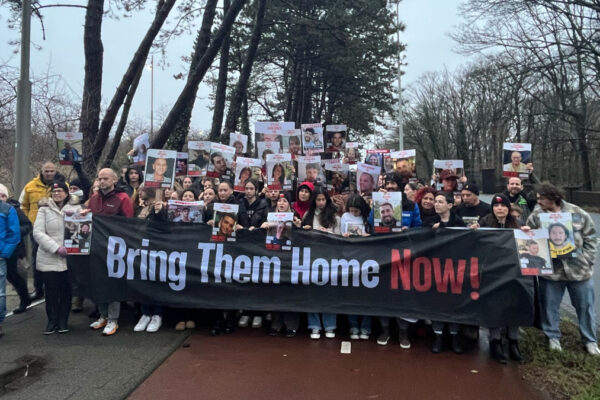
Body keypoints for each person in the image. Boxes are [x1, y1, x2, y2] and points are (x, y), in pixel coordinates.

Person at [525, 182, 599, 355]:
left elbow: (591, 238)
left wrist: (587, 260)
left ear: (554, 198)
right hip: (552, 272)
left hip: (579, 271)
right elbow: (530, 241)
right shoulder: (536, 216)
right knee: (550, 305)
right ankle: (553, 337)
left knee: (585, 307)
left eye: (542, 198)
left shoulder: (578, 213)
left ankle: (590, 340)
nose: (539, 202)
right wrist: (528, 233)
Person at [473, 194, 523, 363]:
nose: (499, 209)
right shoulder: (484, 223)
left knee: (513, 305)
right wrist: (472, 231)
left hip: (512, 273)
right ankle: (495, 342)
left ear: (508, 208)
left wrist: (527, 233)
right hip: (491, 272)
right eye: (496, 206)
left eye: (502, 206)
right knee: (494, 306)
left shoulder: (517, 224)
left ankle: (513, 341)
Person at [86, 168, 134, 336]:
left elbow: (129, 225)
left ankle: (113, 319)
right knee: (98, 283)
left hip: (115, 249)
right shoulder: (93, 199)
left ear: (114, 180)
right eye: (100, 179)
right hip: (96, 248)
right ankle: (103, 315)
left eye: (105, 178)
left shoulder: (123, 198)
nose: (102, 182)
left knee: (113, 283)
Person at [33, 182, 81, 334]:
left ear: (67, 193)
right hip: (49, 257)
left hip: (70, 258)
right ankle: (52, 320)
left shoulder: (76, 209)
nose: (56, 194)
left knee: (66, 291)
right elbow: (38, 233)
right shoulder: (44, 210)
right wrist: (55, 248)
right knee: (52, 291)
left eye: (60, 191)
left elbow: (82, 230)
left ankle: (63, 320)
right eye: (54, 191)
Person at [424, 191, 465, 354]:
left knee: (454, 302)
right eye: (435, 201)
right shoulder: (429, 222)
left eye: (440, 201)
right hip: (435, 267)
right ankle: (438, 335)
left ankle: (454, 336)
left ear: (449, 205)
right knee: (437, 302)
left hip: (454, 268)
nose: (436, 204)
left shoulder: (458, 222)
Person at [21, 162, 67, 300]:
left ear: (55, 171)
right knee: (38, 260)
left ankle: (58, 288)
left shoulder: (64, 185)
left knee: (61, 260)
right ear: (41, 171)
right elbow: (24, 206)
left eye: (51, 171)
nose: (49, 173)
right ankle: (38, 288)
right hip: (38, 230)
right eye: (46, 171)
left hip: (59, 230)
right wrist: (29, 223)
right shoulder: (30, 186)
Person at [302, 187, 340, 339]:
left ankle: (330, 325)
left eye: (323, 199)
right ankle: (314, 325)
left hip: (329, 258)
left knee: (328, 293)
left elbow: (340, 238)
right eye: (318, 200)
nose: (321, 202)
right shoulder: (307, 215)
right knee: (312, 293)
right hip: (311, 258)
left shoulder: (334, 217)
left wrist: (327, 234)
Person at [0, 185, 32, 315]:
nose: (1, 198)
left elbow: (28, 225)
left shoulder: (13, 209)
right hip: (4, 245)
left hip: (14, 248)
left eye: (3, 196)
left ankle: (24, 298)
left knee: (13, 275)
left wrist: (13, 231)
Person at [0, 187, 20, 337]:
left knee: (0, 292)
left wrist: (4, 253)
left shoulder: (7, 209)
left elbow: (14, 234)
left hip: (0, 256)